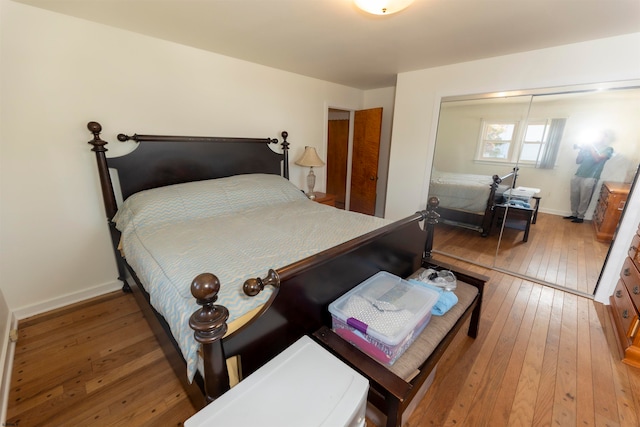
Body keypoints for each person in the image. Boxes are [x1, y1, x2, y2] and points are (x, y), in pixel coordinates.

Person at [564, 131, 614, 223]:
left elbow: (597, 159)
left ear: (604, 137)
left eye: (600, 135)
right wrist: (581, 150)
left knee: (585, 198)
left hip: (591, 176)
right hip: (578, 174)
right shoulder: (588, 147)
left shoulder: (608, 149)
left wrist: (591, 147)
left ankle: (580, 217)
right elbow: (578, 161)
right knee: (574, 197)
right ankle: (574, 214)